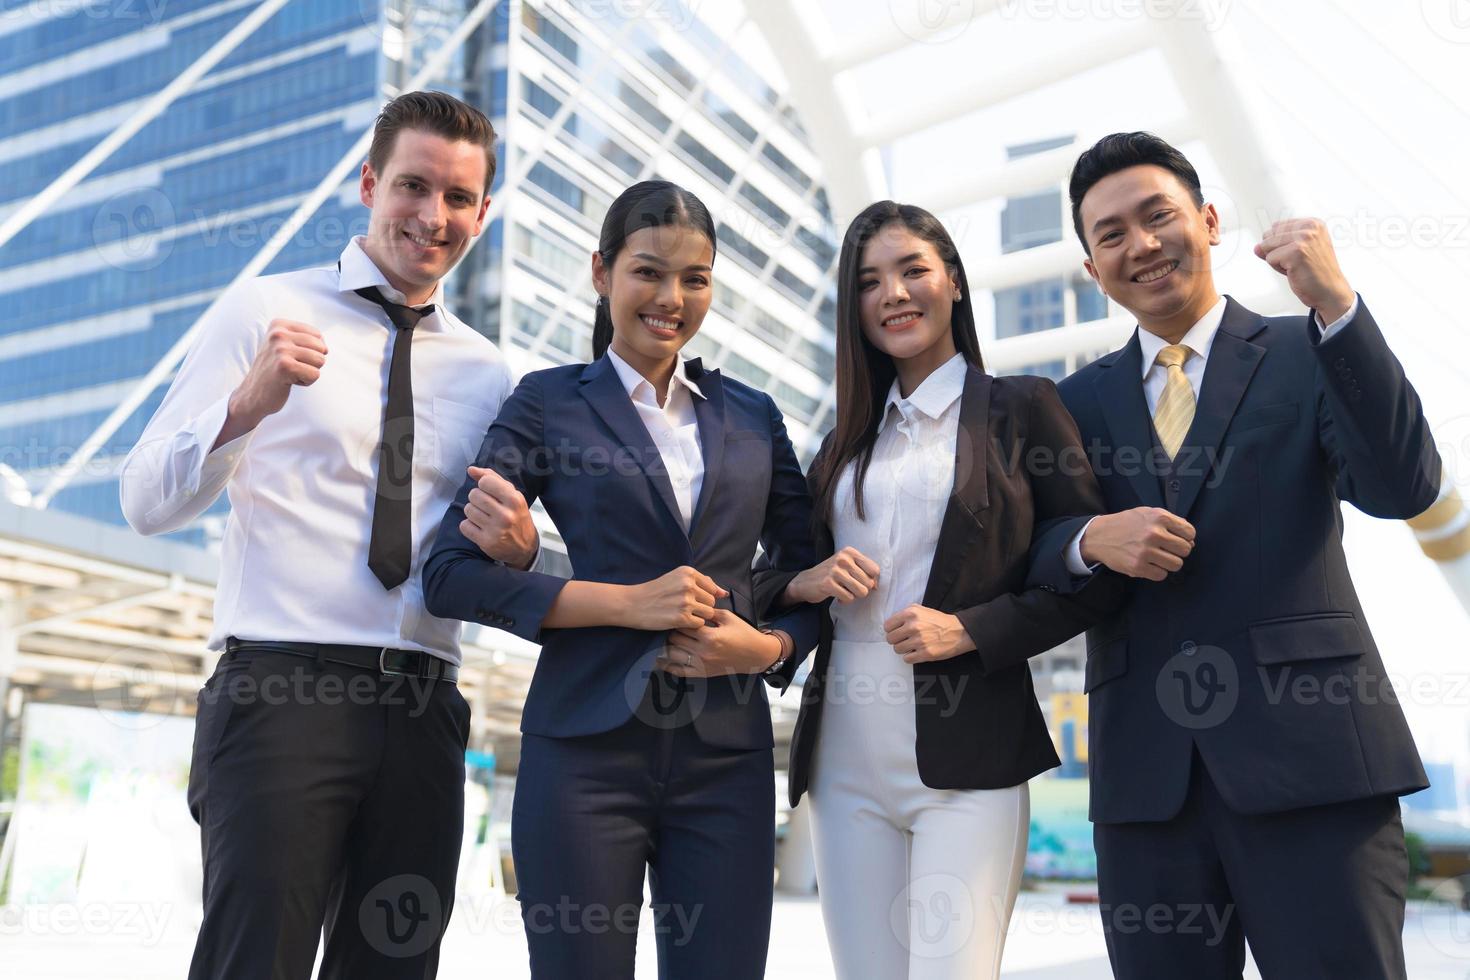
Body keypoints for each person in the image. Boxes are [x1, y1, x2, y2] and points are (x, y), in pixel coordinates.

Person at [119, 91, 526, 979]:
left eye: (458, 199)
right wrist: (246, 406)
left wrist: (522, 546)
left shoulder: (491, 372)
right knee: (252, 962)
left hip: (426, 707)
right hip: (281, 691)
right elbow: (144, 501)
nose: (433, 216)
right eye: (413, 186)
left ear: (483, 213)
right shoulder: (263, 310)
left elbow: (494, 547)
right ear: (370, 183)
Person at [1027, 132, 1442, 979]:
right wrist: (1083, 540)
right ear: (1091, 269)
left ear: (1209, 222)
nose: (1139, 245)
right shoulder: (1070, 405)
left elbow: (1404, 486)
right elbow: (1027, 560)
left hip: (1316, 765)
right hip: (1149, 785)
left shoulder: (1310, 350)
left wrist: (1336, 306)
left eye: (1158, 216)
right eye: (1111, 235)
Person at [421, 179, 820, 979]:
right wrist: (627, 604)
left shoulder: (753, 415)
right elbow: (449, 574)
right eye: (648, 272)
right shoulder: (546, 403)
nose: (670, 298)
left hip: (725, 761)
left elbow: (811, 573)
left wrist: (770, 647)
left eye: (694, 279)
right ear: (601, 272)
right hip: (583, 757)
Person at [764, 201, 1124, 979]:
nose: (893, 293)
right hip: (842, 762)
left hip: (970, 755)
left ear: (953, 282)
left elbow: (1085, 578)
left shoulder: (1023, 409)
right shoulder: (840, 445)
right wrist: (806, 578)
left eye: (912, 270)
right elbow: (766, 579)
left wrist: (969, 631)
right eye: (869, 281)